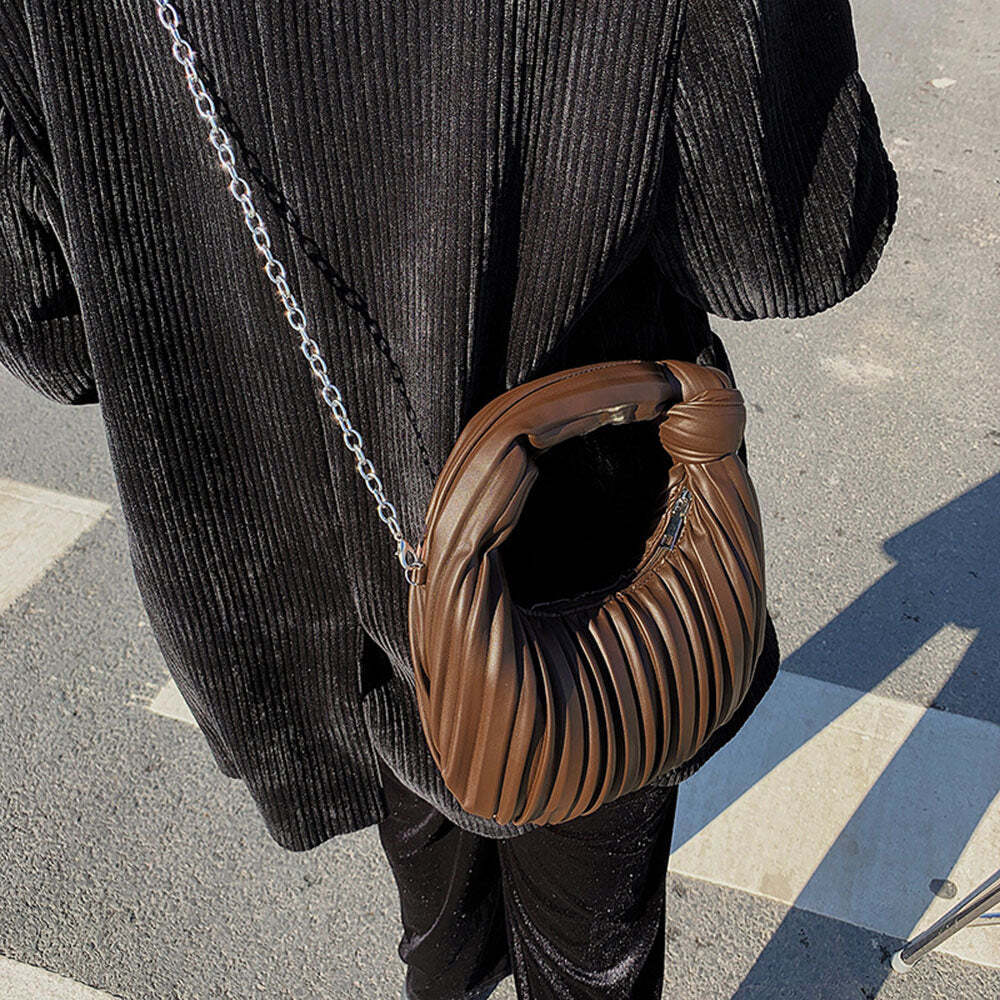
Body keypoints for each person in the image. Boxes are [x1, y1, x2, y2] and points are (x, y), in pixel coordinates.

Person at [0, 1, 896, 997]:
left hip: (312, 550)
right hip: (587, 539)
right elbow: (785, 247)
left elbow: (47, 327)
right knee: (590, 950)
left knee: (437, 911)